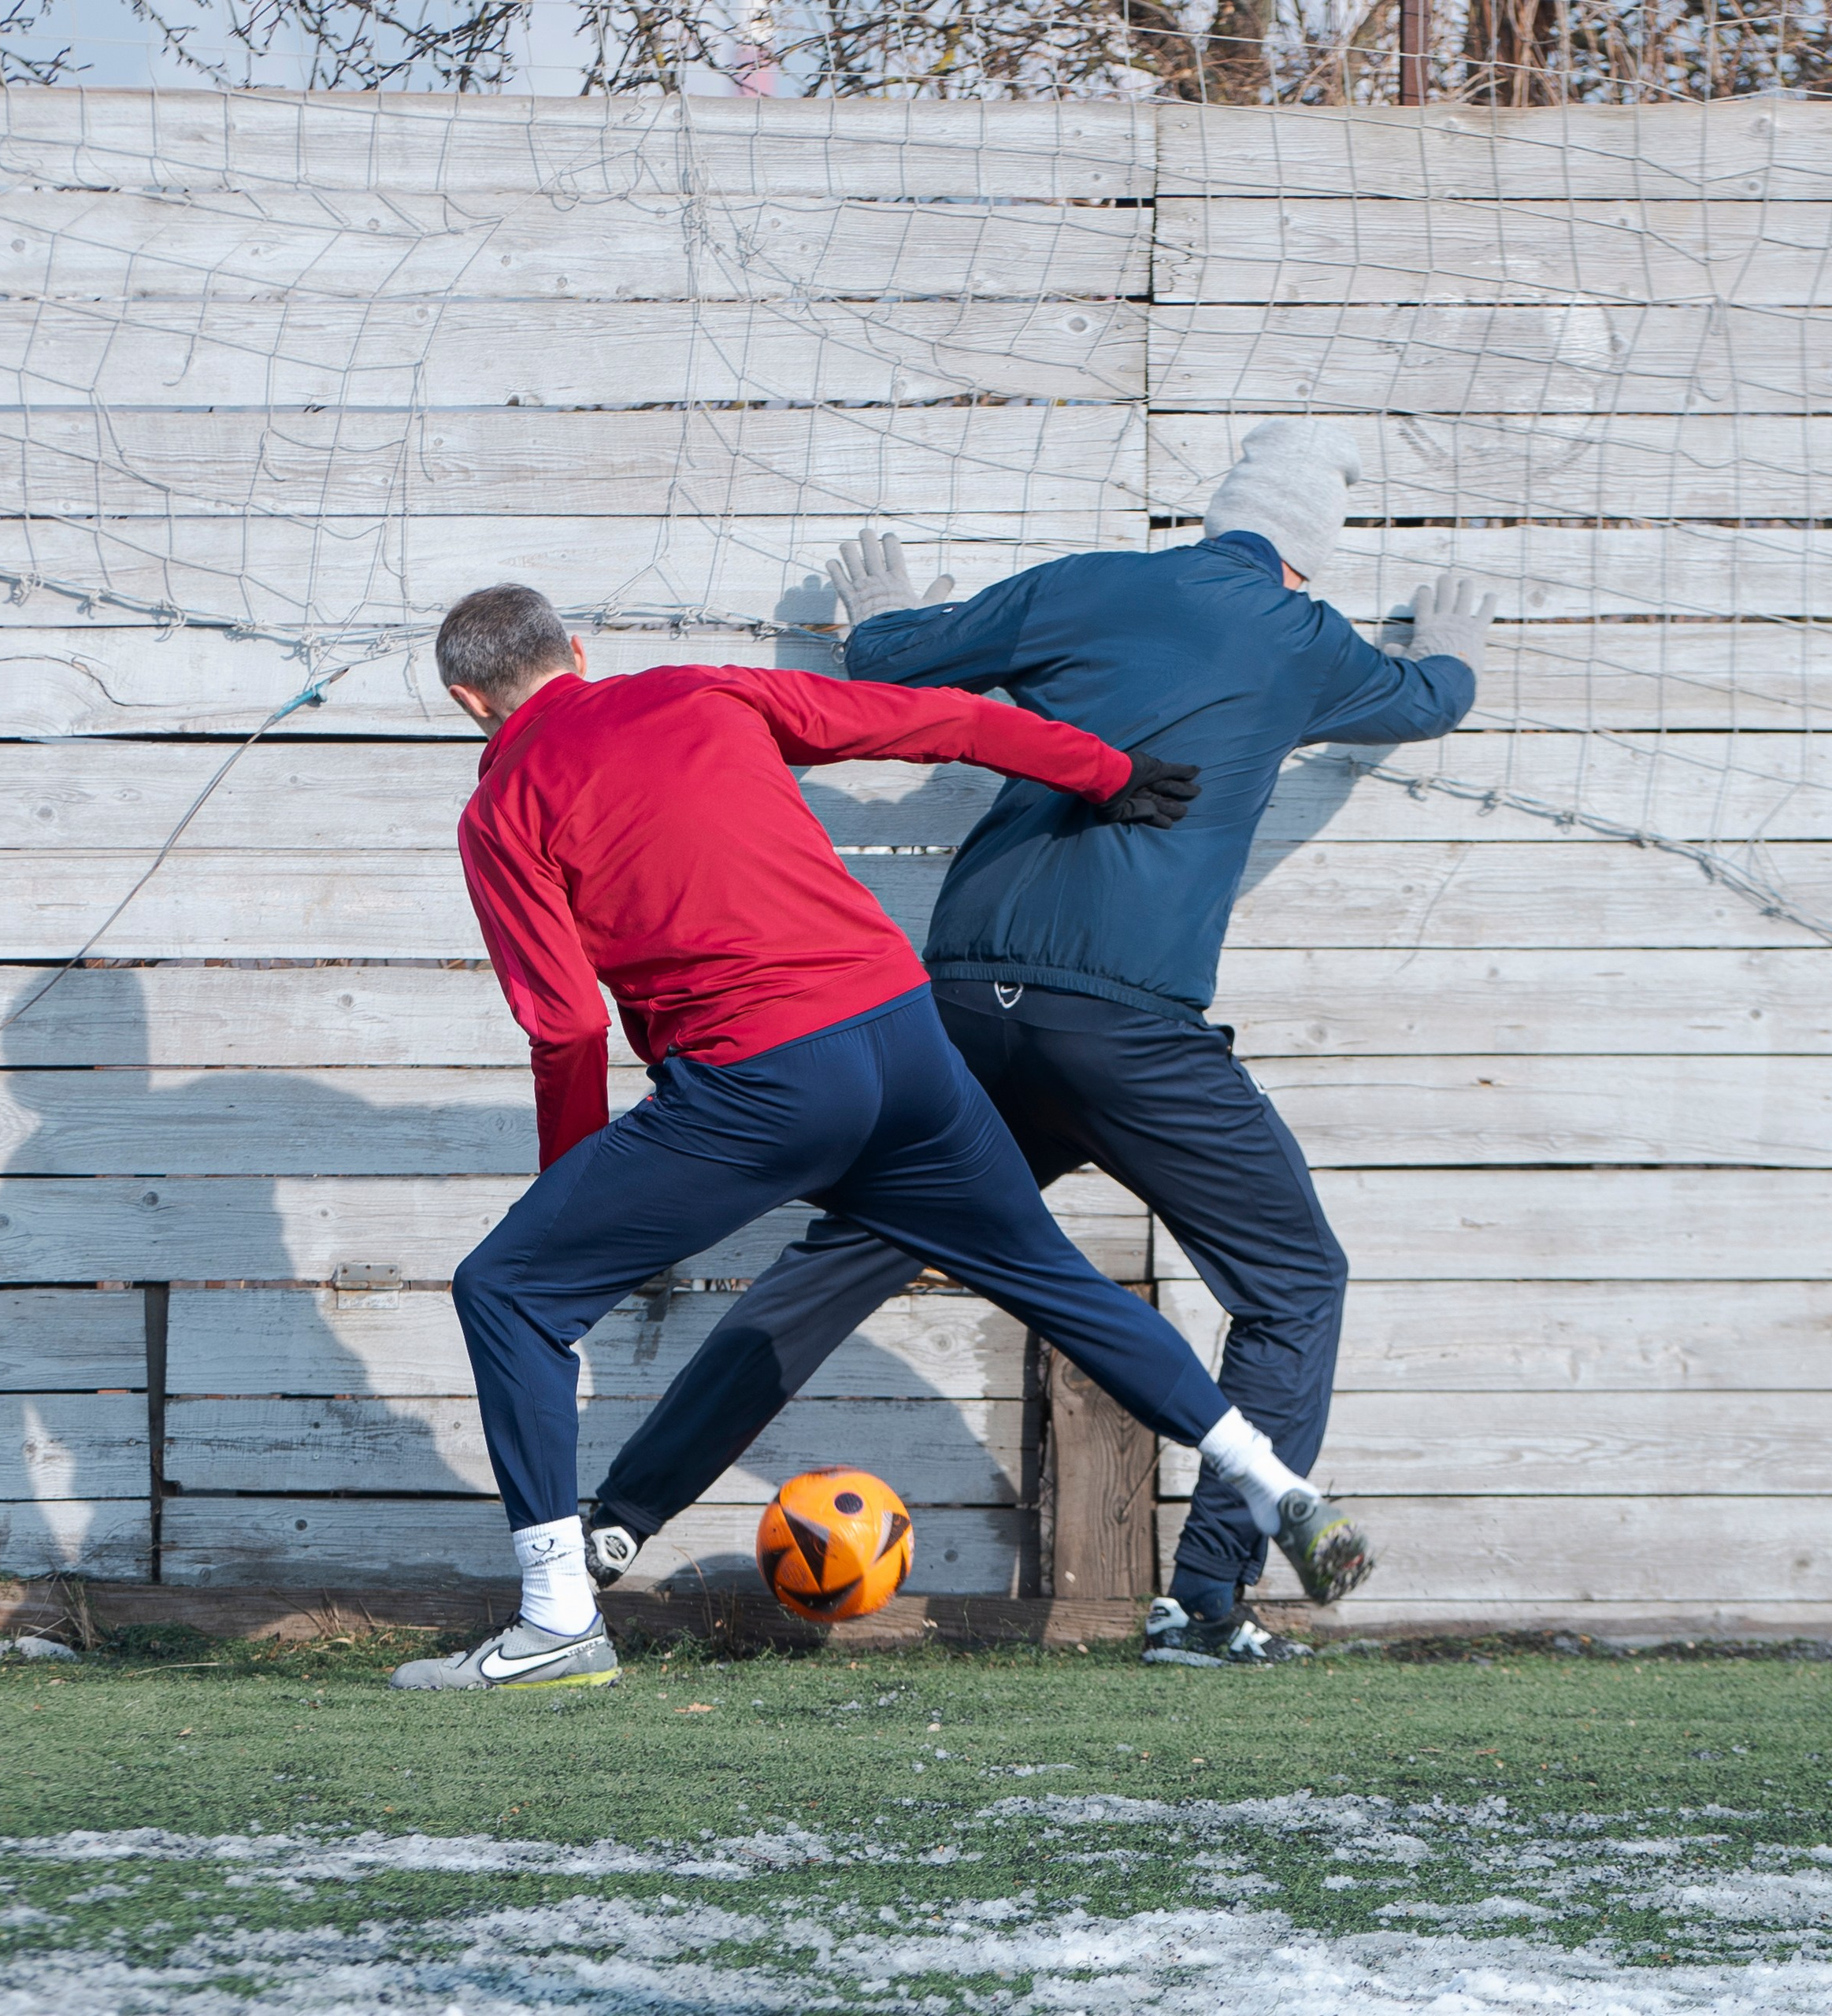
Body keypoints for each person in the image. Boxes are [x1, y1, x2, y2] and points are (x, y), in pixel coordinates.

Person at [584, 419, 1493, 1668]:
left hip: (962, 997)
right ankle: (1206, 1604)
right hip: (1125, 1029)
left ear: (1218, 519)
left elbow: (905, 659)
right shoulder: (1306, 641)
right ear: (1306, 559)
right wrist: (1445, 651)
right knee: (1293, 1285)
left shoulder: (1098, 583)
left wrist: (883, 614)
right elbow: (1427, 703)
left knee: (837, 1263)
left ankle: (614, 1527)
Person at [389, 576, 1373, 1692]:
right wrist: (1107, 773)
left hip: (759, 1076)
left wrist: (574, 1192)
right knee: (1054, 1279)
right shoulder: (704, 692)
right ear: (577, 648)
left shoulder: (502, 808)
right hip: (904, 1045)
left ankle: (559, 1619)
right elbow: (933, 720)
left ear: (471, 702)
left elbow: (563, 1023)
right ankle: (1266, 1477)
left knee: (509, 1290)